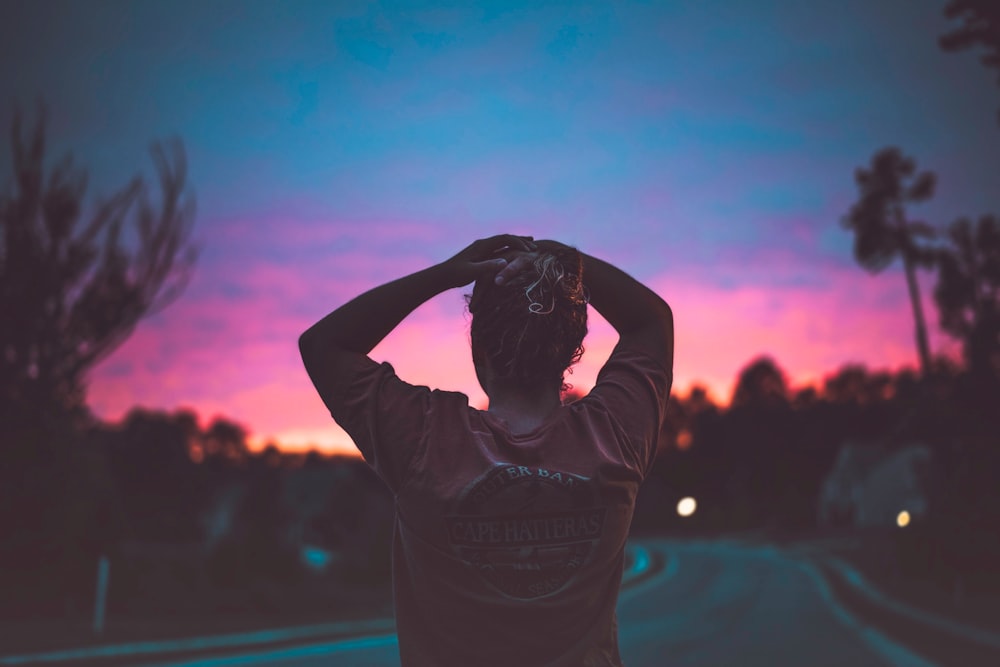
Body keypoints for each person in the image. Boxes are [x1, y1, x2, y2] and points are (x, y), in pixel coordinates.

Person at [299, 235, 673, 666]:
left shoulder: (425, 439)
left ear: (478, 351)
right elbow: (651, 320)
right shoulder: (614, 436)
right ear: (572, 351)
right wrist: (571, 263)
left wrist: (444, 275)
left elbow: (324, 344)